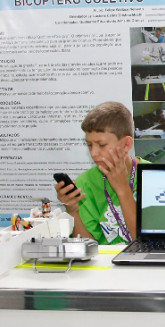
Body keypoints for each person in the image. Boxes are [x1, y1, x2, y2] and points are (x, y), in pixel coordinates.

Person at [55, 102, 145, 244]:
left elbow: (147, 243)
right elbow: (87, 246)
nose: (93, 153)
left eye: (102, 145)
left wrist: (122, 189)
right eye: (89, 145)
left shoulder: (154, 176)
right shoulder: (85, 182)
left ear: (126, 144)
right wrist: (73, 211)